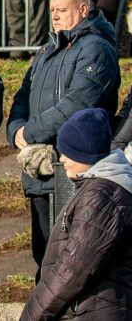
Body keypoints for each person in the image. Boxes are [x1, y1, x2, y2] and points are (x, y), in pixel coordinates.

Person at [7, 0, 120, 273]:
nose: (54, 16)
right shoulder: (46, 50)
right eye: (52, 10)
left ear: (83, 9)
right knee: (43, 252)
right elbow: (23, 95)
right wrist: (16, 131)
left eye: (61, 10)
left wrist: (31, 132)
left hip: (73, 167)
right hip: (39, 167)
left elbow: (77, 103)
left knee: (69, 257)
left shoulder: (96, 48)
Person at [21, 108, 132, 320]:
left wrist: (32, 315)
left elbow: (74, 267)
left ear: (85, 153)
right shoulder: (100, 189)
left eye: (68, 152)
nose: (62, 159)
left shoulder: (101, 195)